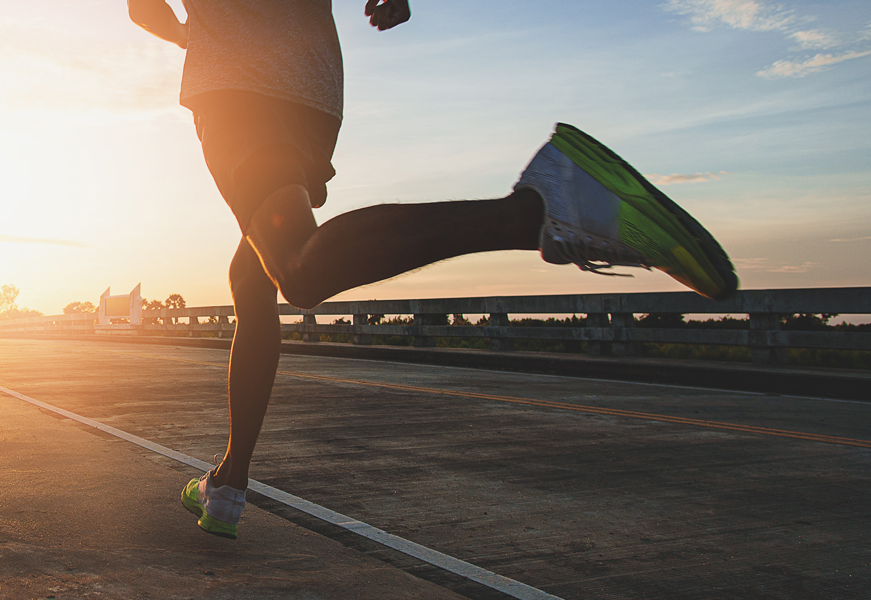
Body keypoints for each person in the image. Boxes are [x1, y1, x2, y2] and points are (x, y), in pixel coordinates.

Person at [128, 0, 738, 540]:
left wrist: (188, 34)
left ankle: (538, 210)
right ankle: (229, 485)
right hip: (311, 91)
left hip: (236, 84)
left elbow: (141, 5)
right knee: (252, 276)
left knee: (298, 271)